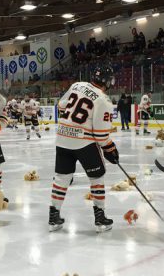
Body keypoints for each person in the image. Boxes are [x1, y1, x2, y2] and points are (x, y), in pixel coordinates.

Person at [50, 66, 118, 233]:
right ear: (108, 82)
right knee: (97, 177)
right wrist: (111, 148)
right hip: (83, 143)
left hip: (62, 139)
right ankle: (100, 218)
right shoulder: (103, 100)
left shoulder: (77, 85)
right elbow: (101, 135)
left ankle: (53, 217)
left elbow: (60, 106)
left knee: (61, 178)